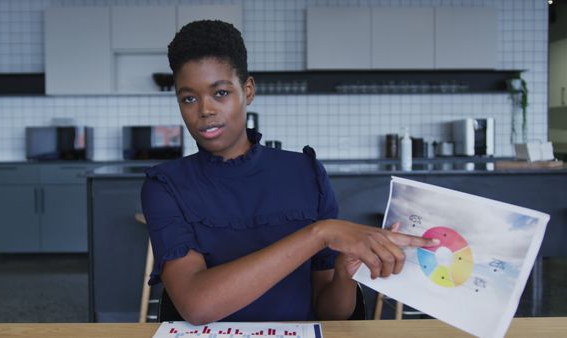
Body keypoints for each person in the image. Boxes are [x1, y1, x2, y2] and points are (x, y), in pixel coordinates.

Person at [141, 20, 437, 325]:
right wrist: (320, 234)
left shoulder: (305, 173)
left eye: (220, 93)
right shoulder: (165, 185)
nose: (205, 109)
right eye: (189, 98)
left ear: (248, 90)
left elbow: (331, 313)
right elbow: (197, 306)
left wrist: (343, 274)